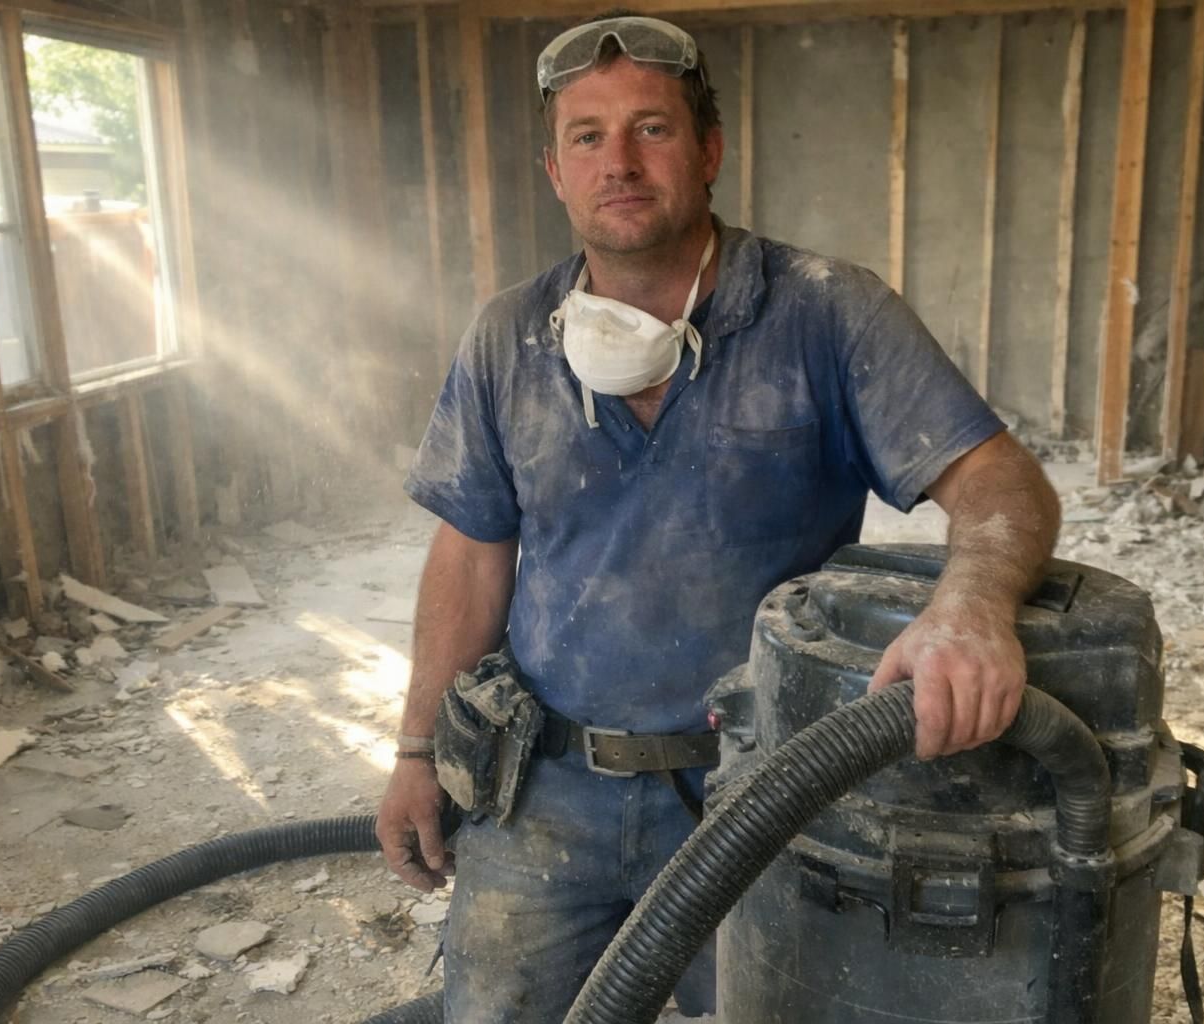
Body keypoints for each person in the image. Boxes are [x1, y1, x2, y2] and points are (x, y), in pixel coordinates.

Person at [376, 12, 1062, 1022]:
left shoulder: (827, 313)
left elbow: (1004, 487)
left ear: (709, 152)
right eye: (587, 136)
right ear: (555, 171)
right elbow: (472, 554)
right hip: (545, 787)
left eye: (651, 129)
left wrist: (969, 607)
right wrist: (414, 752)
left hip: (760, 791)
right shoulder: (508, 336)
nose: (619, 161)